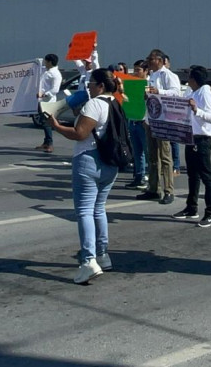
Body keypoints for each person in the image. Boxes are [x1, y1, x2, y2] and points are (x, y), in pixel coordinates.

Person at [49, 68, 121, 285]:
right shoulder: (116, 103)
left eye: (91, 83)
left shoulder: (95, 103)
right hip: (110, 164)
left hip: (89, 161)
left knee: (84, 212)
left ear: (100, 85)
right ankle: (103, 254)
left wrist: (57, 126)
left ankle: (88, 260)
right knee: (99, 209)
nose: (87, 86)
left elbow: (80, 133)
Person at [173, 66, 211, 227]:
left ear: (195, 79)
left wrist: (196, 109)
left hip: (202, 140)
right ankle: (191, 208)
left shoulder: (205, 91)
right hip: (191, 137)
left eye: (190, 77)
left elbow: (210, 117)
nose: (188, 80)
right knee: (193, 175)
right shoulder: (192, 92)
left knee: (206, 176)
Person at [140, 49, 182, 205]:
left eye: (151, 59)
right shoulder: (152, 76)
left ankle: (168, 190)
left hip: (164, 120)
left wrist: (159, 91)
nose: (149, 62)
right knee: (152, 156)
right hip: (152, 118)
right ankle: (153, 188)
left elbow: (176, 93)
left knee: (165, 156)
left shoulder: (169, 75)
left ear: (159, 60)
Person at [123, 59, 150, 190]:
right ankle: (139, 177)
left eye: (138, 70)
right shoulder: (131, 83)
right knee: (137, 152)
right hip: (132, 120)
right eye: (134, 70)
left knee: (148, 152)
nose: (136, 73)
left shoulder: (149, 84)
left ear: (146, 71)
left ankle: (152, 178)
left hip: (144, 122)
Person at [36, 54, 62, 153]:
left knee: (47, 123)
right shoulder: (46, 71)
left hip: (48, 101)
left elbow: (55, 89)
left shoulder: (56, 74)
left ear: (50, 62)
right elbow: (38, 67)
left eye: (46, 61)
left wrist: (44, 95)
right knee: (43, 121)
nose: (44, 63)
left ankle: (50, 144)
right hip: (41, 101)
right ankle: (46, 142)